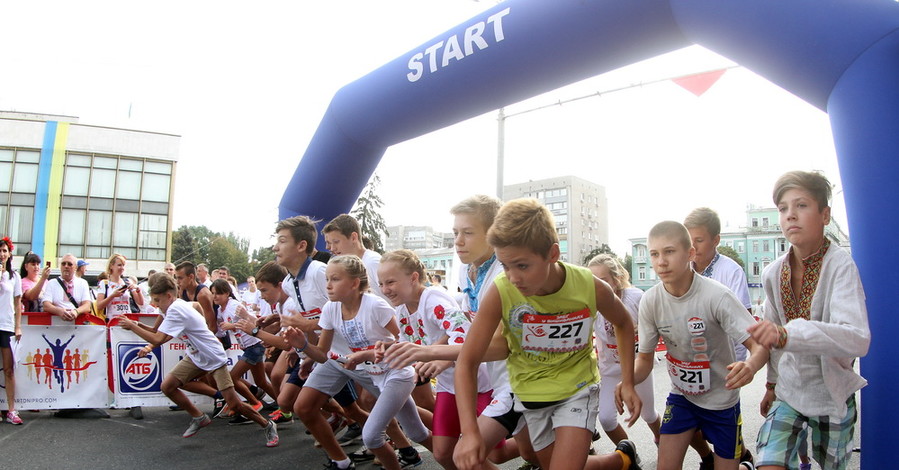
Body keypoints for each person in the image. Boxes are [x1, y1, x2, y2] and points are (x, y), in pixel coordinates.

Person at [455, 198, 643, 470]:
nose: (513, 278)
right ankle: (620, 461)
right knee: (548, 463)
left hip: (578, 389)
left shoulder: (589, 286)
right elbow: (467, 361)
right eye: (505, 266)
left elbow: (624, 324)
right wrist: (470, 431)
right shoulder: (500, 291)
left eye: (522, 266)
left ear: (553, 254)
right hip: (530, 395)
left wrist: (627, 382)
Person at [747, 171, 870, 470]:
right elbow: (772, 340)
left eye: (801, 205)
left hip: (831, 396)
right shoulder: (772, 273)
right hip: (789, 392)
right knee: (769, 463)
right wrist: (771, 384)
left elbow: (857, 338)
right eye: (783, 208)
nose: (790, 215)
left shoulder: (841, 266)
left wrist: (788, 335)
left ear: (825, 215)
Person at [633, 221, 767, 470]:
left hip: (722, 401)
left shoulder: (717, 296)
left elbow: (759, 344)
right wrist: (627, 382)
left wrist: (750, 366)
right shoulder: (650, 301)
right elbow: (644, 359)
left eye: (670, 251)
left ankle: (744, 466)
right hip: (682, 396)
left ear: (690, 254)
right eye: (654, 254)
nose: (661, 261)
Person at [288, 255, 432, 470]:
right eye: (327, 279)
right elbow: (322, 355)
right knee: (417, 433)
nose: (328, 285)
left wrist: (367, 353)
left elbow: (406, 339)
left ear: (355, 283)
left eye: (335, 279)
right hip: (377, 375)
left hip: (397, 374)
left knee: (372, 437)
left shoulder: (375, 306)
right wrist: (303, 346)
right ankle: (457, 458)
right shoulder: (330, 309)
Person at [118, 273, 279, 446]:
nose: (155, 304)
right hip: (196, 356)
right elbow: (189, 309)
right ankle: (199, 417)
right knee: (168, 386)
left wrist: (133, 326)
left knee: (235, 404)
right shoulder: (175, 305)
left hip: (213, 356)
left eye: (157, 300)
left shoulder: (175, 310)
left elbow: (157, 339)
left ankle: (268, 425)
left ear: (169, 296)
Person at [378, 249, 492, 470]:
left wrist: (442, 361)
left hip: (477, 384)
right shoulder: (401, 309)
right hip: (448, 387)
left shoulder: (433, 299)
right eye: (381, 283)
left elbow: (464, 333)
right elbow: (410, 341)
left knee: (494, 452)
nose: (384, 290)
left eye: (390, 282)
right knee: (442, 453)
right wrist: (389, 347)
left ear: (413, 278)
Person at [450, 194, 539, 469]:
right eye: (455, 233)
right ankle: (620, 460)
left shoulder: (507, 274)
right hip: (497, 378)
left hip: (521, 380)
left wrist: (431, 352)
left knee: (466, 456)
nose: (458, 241)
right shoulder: (467, 270)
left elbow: (503, 346)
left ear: (493, 234)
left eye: (467, 232)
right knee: (530, 454)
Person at [684, 207, 756, 468]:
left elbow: (745, 322)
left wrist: (743, 362)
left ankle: (737, 457)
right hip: (691, 363)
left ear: (716, 240)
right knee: (688, 421)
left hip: (725, 363)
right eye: (688, 240)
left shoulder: (731, 271)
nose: (693, 246)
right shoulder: (683, 270)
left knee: (721, 425)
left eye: (699, 240)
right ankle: (713, 457)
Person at [587, 254, 661, 445]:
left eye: (602, 281)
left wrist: (639, 329)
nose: (597, 286)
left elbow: (655, 328)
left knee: (648, 413)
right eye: (592, 281)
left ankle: (662, 440)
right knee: (606, 419)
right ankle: (629, 453)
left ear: (616, 279)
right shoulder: (589, 303)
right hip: (609, 369)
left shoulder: (636, 297)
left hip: (638, 365)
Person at [209, 279, 276, 424]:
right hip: (248, 347)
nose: (215, 296)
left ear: (227, 293)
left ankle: (254, 404)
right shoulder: (221, 310)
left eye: (218, 293)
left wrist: (231, 325)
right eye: (213, 293)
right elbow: (221, 331)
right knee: (261, 382)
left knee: (232, 378)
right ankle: (285, 405)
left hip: (254, 346)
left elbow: (253, 321)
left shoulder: (234, 306)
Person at [322, 214, 385, 299]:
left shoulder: (373, 262)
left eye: (336, 241)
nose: (332, 248)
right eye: (329, 243)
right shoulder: (344, 266)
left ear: (353, 237)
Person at [0, 236, 24, 424]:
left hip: (6, 326)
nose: (1, 255)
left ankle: (11, 410)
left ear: (9, 254)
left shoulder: (14, 276)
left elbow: (18, 303)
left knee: (9, 369)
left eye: (4, 251)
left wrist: (17, 326)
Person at [42, 254, 92, 321]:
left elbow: (87, 306)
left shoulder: (83, 283)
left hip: (78, 325)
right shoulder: (51, 283)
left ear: (76, 267)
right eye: (63, 264)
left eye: (69, 264)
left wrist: (76, 312)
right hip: (54, 325)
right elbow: (46, 305)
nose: (66, 266)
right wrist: (58, 311)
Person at [95, 254, 144, 321]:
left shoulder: (127, 282)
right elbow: (99, 306)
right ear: (111, 266)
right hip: (112, 321)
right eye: (119, 265)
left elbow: (140, 302)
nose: (122, 268)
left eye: (123, 265)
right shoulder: (104, 283)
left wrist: (138, 290)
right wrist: (112, 296)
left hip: (127, 321)